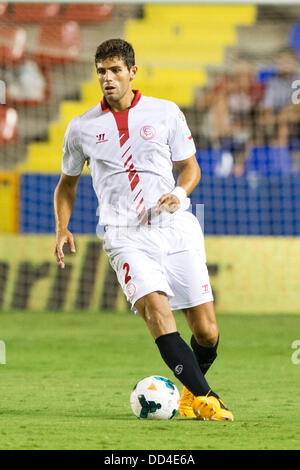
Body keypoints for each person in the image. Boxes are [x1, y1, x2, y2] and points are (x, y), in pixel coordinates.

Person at [53, 38, 234, 421]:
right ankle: (207, 399)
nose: (108, 78)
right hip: (123, 234)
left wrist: (178, 193)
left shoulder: (165, 112)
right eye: (101, 71)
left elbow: (191, 169)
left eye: (116, 70)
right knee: (156, 309)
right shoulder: (81, 128)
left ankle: (189, 395)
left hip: (175, 228)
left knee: (207, 332)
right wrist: (62, 226)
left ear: (133, 72)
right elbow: (66, 184)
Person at [257, 48, 300, 147]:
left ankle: (280, 149)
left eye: (287, 61)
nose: (283, 65)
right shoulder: (273, 82)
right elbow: (267, 106)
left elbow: (297, 103)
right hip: (279, 117)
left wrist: (284, 113)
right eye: (281, 62)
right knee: (262, 120)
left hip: (293, 116)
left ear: (295, 62)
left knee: (286, 115)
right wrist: (269, 115)